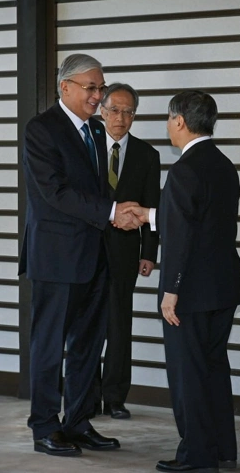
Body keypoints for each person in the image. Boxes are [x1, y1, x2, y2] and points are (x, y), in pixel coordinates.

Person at [18, 54, 141, 457]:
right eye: (90, 87)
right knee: (50, 346)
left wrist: (119, 213)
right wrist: (110, 212)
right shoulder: (42, 130)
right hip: (56, 258)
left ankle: (78, 422)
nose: (97, 95)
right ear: (65, 87)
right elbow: (55, 192)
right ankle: (45, 427)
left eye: (100, 87)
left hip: (95, 256)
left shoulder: (94, 131)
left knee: (89, 345)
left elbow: (98, 191)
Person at [123, 91, 240, 472]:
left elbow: (181, 239)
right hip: (223, 286)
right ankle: (222, 448)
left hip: (190, 291)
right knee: (212, 370)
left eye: (168, 118)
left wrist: (170, 291)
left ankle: (196, 456)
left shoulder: (184, 169)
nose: (167, 126)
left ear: (179, 121)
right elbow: (195, 219)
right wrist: (150, 215)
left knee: (187, 374)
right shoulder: (222, 164)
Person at [92, 83, 161, 420]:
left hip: (124, 253)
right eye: (115, 110)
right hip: (86, 251)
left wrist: (149, 253)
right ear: (102, 111)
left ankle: (115, 397)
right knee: (86, 326)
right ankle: (86, 396)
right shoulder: (86, 147)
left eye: (128, 111)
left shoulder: (148, 155)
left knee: (120, 326)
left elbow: (153, 206)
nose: (121, 118)